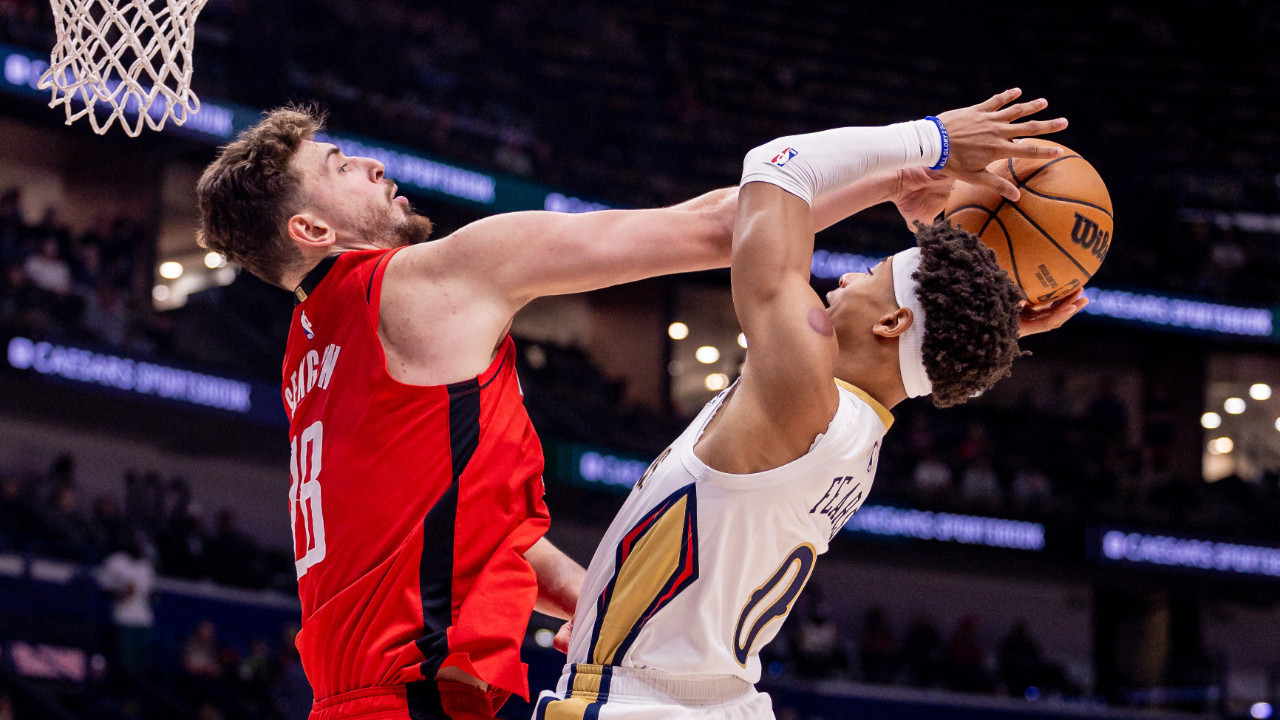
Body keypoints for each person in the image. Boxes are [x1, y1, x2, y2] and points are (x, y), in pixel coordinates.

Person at [194, 97, 1011, 719]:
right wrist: (916, 153)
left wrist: (607, 608)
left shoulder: (310, 351)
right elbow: (719, 228)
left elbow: (458, 534)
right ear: (311, 228)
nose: (370, 166)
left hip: (363, 693)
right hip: (413, 693)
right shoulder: (428, 280)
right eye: (339, 167)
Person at [535, 91, 1085, 719]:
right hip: (715, 701)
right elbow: (946, 349)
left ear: (894, 321)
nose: (846, 279)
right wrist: (985, 309)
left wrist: (928, 139)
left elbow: (777, 165)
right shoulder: (859, 431)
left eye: (871, 275)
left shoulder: (802, 390)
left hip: (640, 705)